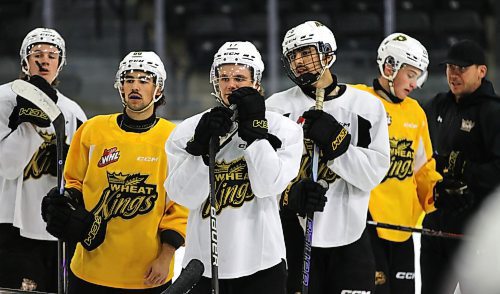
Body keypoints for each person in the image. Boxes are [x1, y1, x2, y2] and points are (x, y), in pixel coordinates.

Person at [41, 51, 188, 293]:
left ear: (158, 89)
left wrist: (166, 256)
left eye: (144, 80)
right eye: (129, 79)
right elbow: (73, 181)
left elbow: (180, 207)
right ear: (120, 86)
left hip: (147, 273)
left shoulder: (172, 139)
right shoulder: (92, 130)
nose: (135, 86)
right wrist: (66, 202)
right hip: (89, 268)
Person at [165, 41, 303, 294]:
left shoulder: (284, 129)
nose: (231, 85)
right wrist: (200, 151)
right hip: (204, 265)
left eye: (240, 77)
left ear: (256, 82)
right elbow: (182, 196)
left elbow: (267, 186)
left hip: (263, 265)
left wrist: (257, 136)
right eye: (224, 77)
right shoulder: (187, 130)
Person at [266, 21, 391, 294]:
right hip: (293, 238)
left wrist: (339, 147)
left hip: (350, 238)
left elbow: (373, 175)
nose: (298, 62)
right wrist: (289, 196)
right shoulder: (276, 108)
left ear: (327, 54)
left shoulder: (366, 107)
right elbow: (262, 175)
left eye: (305, 53)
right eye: (292, 56)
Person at [352, 33, 442, 293]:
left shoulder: (415, 112)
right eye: (411, 74)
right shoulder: (358, 100)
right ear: (389, 67)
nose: (415, 84)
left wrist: (439, 197)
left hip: (402, 227)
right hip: (366, 225)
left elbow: (423, 168)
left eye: (419, 76)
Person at [0, 27, 87, 292]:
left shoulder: (72, 111)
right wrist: (31, 125)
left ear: (60, 65)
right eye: (37, 53)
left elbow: (79, 177)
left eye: (52, 55)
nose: (44, 60)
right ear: (25, 60)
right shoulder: (3, 99)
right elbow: (8, 167)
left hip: (53, 227)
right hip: (7, 225)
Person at [420, 40, 500, 293]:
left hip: (474, 230)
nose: (453, 74)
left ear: (481, 71)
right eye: (450, 67)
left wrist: (464, 168)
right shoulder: (437, 105)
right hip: (436, 222)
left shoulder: (493, 112)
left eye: (461, 68)